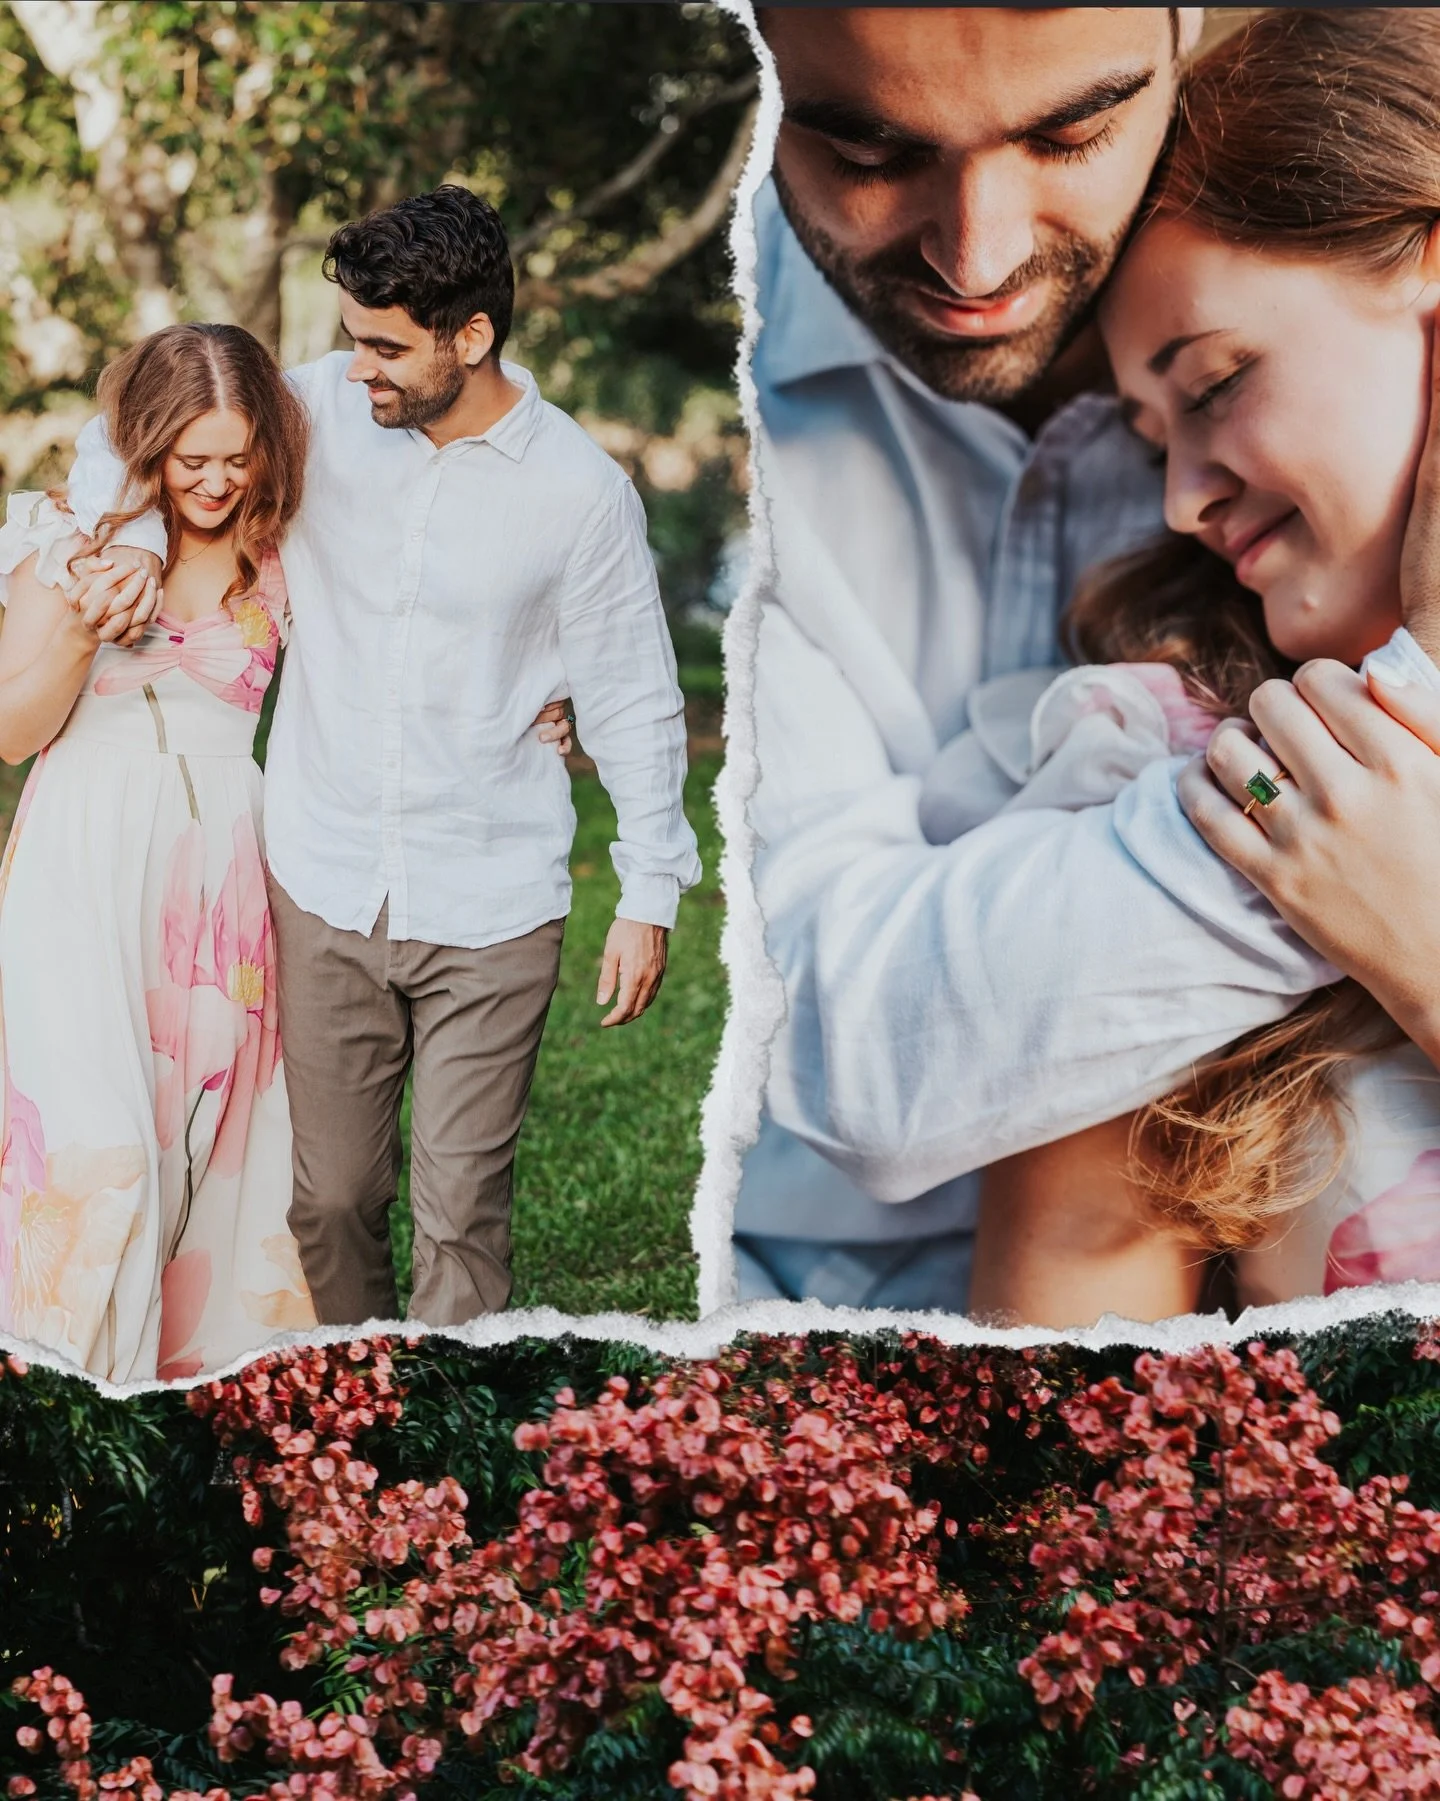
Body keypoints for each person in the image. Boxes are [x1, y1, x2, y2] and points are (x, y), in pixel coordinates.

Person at [733, 5, 1440, 1313]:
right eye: (869, 147)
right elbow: (858, 1052)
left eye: (1217, 385)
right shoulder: (1147, 752)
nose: (978, 252)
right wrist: (1411, 708)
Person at [69, 186, 701, 1332]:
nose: (355, 367)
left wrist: (647, 889)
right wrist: (123, 543)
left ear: (472, 338)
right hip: (323, 877)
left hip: (493, 896)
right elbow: (132, 434)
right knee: (331, 1198)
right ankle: (360, 1401)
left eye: (384, 347)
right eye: (352, 337)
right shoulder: (314, 408)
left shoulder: (580, 495)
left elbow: (635, 694)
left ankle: (442, 1442)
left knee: (461, 1210)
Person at [0, 323, 317, 1381]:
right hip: (82, 871)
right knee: (101, 1152)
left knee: (210, 1162)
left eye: (238, 457)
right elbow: (10, 730)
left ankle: (181, 1421)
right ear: (144, 446)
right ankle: (53, 1402)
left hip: (224, 880)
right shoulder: (69, 538)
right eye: (192, 460)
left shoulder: (282, 554)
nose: (218, 481)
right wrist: (86, 630)